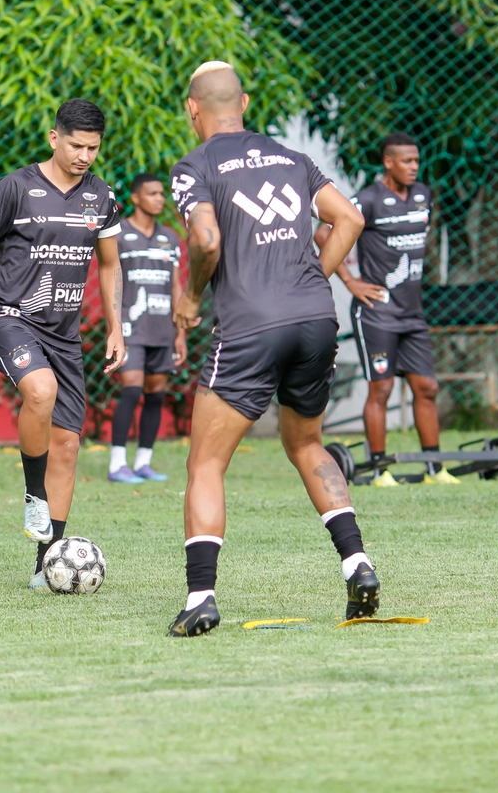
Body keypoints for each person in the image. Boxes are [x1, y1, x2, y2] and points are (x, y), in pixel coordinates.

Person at [167, 61, 377, 637]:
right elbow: (349, 219)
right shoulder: (292, 158)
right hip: (315, 318)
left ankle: (201, 598)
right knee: (307, 443)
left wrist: (189, 298)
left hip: (249, 326)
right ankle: (358, 563)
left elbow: (206, 240)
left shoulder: (196, 165)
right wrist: (312, 277)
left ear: (193, 109)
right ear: (246, 101)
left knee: (206, 461)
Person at [0, 99, 125, 589]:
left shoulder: (102, 197)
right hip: (10, 318)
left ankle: (45, 561)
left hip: (65, 334)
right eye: (76, 145)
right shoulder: (17, 187)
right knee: (40, 391)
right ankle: (35, 496)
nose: (85, 156)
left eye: (93, 147)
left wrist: (115, 327)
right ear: (55, 138)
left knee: (68, 445)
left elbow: (110, 264)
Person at [314, 133, 457, 486]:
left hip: (412, 313)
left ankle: (434, 468)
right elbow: (322, 233)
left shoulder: (423, 195)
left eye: (417, 161)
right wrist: (351, 281)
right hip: (376, 312)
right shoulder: (369, 199)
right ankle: (380, 469)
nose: (414, 167)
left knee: (427, 387)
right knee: (381, 389)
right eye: (407, 161)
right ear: (388, 162)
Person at [107, 173, 188, 484]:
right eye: (152, 194)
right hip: (130, 326)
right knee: (132, 388)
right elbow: (110, 280)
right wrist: (113, 326)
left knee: (156, 394)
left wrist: (180, 332)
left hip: (162, 328)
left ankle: (143, 462)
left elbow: (176, 286)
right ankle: (117, 464)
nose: (160, 199)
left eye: (161, 194)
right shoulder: (119, 234)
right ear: (136, 198)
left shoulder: (169, 237)